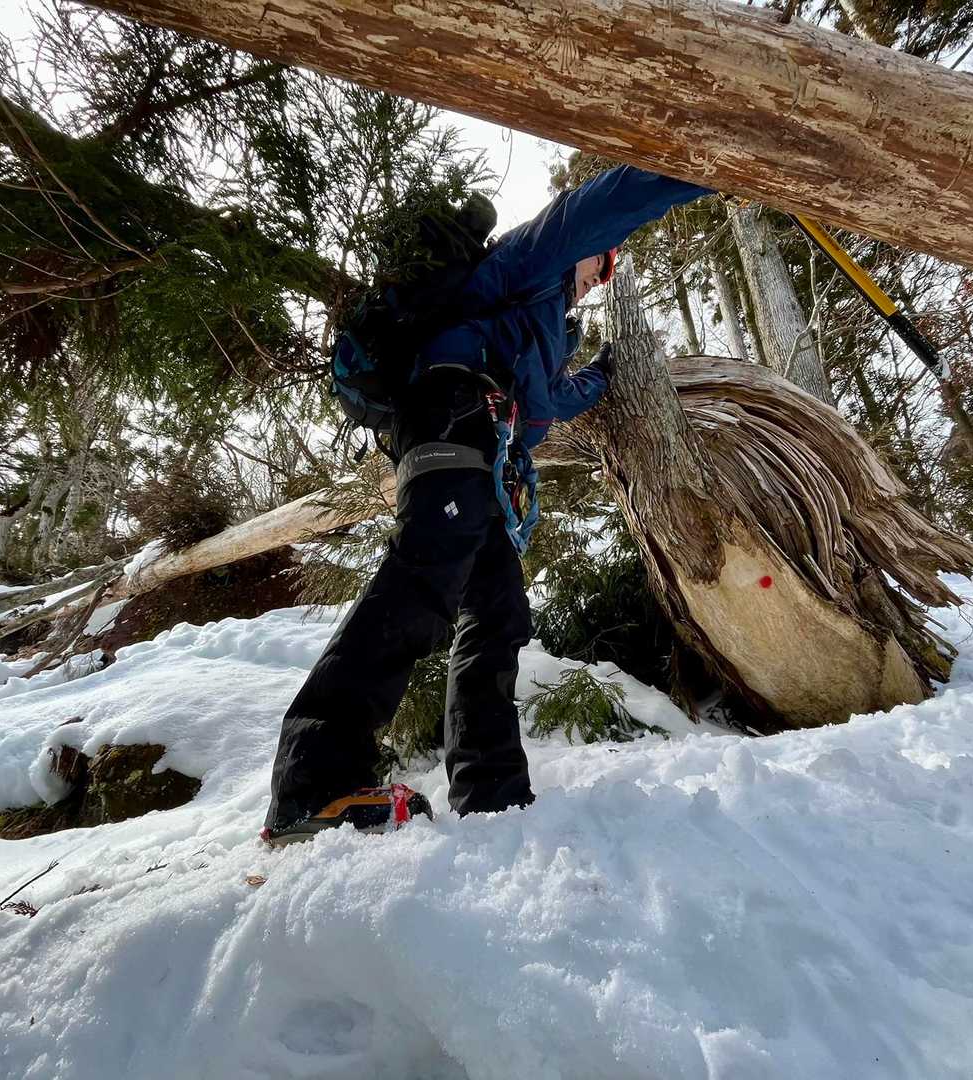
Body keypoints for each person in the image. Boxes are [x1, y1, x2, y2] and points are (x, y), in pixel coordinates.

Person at [262, 164, 711, 844]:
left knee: (498, 619)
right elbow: (598, 206)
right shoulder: (527, 262)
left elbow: (543, 404)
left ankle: (492, 792)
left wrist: (601, 375)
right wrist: (699, 166)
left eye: (608, 271)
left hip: (487, 458)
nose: (601, 276)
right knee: (421, 583)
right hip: (450, 423)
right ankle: (313, 780)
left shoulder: (543, 320)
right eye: (602, 262)